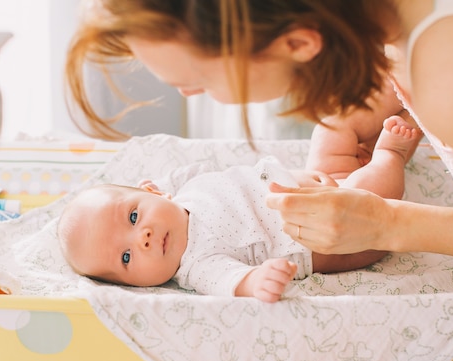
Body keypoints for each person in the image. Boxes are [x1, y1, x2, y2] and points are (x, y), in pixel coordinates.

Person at [64, 1, 453, 262]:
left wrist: (390, 223)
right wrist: (390, 96)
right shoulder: (405, 31)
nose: (190, 95)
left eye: (198, 81)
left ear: (298, 44)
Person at [58, 121, 419, 303]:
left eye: (133, 218)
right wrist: (259, 281)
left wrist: (302, 178)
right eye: (126, 256)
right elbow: (234, 282)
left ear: (152, 190)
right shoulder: (196, 265)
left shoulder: (184, 187)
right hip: (343, 233)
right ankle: (392, 153)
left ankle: (400, 104)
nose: (144, 238)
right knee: (378, 191)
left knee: (332, 127)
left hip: (315, 180)